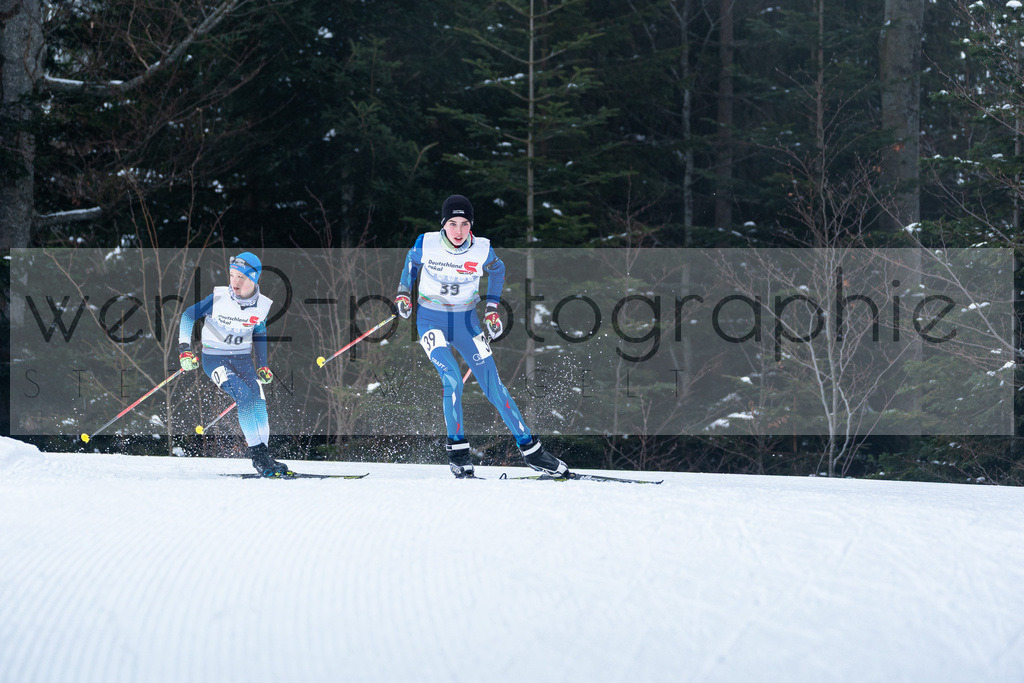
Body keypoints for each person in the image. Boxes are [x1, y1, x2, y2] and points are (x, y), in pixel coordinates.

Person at [395, 194, 570, 479]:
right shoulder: (425, 243)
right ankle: (458, 453)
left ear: (471, 225)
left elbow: (498, 269)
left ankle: (533, 451)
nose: (459, 231)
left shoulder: (482, 249)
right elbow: (412, 263)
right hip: (430, 321)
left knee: (494, 386)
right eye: (452, 223)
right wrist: (404, 293)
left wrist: (491, 309)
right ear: (444, 224)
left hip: (466, 322)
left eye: (465, 224)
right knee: (451, 378)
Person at [178, 252, 287, 476]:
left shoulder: (262, 306)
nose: (235, 282)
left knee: (258, 400)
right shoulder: (219, 298)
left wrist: (263, 364)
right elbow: (188, 315)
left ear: (254, 279)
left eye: (241, 277)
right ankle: (258, 457)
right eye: (232, 275)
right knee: (244, 397)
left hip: (243, 360)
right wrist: (184, 350)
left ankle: (265, 455)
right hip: (215, 359)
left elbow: (259, 332)